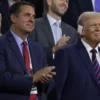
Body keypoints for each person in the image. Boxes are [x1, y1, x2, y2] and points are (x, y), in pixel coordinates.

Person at [0, 1, 56, 100]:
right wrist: (33, 78)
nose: (32, 20)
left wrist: (46, 80)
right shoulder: (2, 43)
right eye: (27, 15)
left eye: (34, 16)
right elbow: (2, 78)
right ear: (13, 18)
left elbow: (49, 85)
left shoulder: (38, 48)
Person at [54, 12, 100, 100]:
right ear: (82, 31)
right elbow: (57, 90)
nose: (98, 29)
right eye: (93, 25)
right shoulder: (66, 53)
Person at [29, 0, 77, 66]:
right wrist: (54, 49)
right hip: (41, 74)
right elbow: (29, 53)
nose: (64, 3)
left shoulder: (72, 31)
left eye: (67, 1)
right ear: (49, 2)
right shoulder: (34, 25)